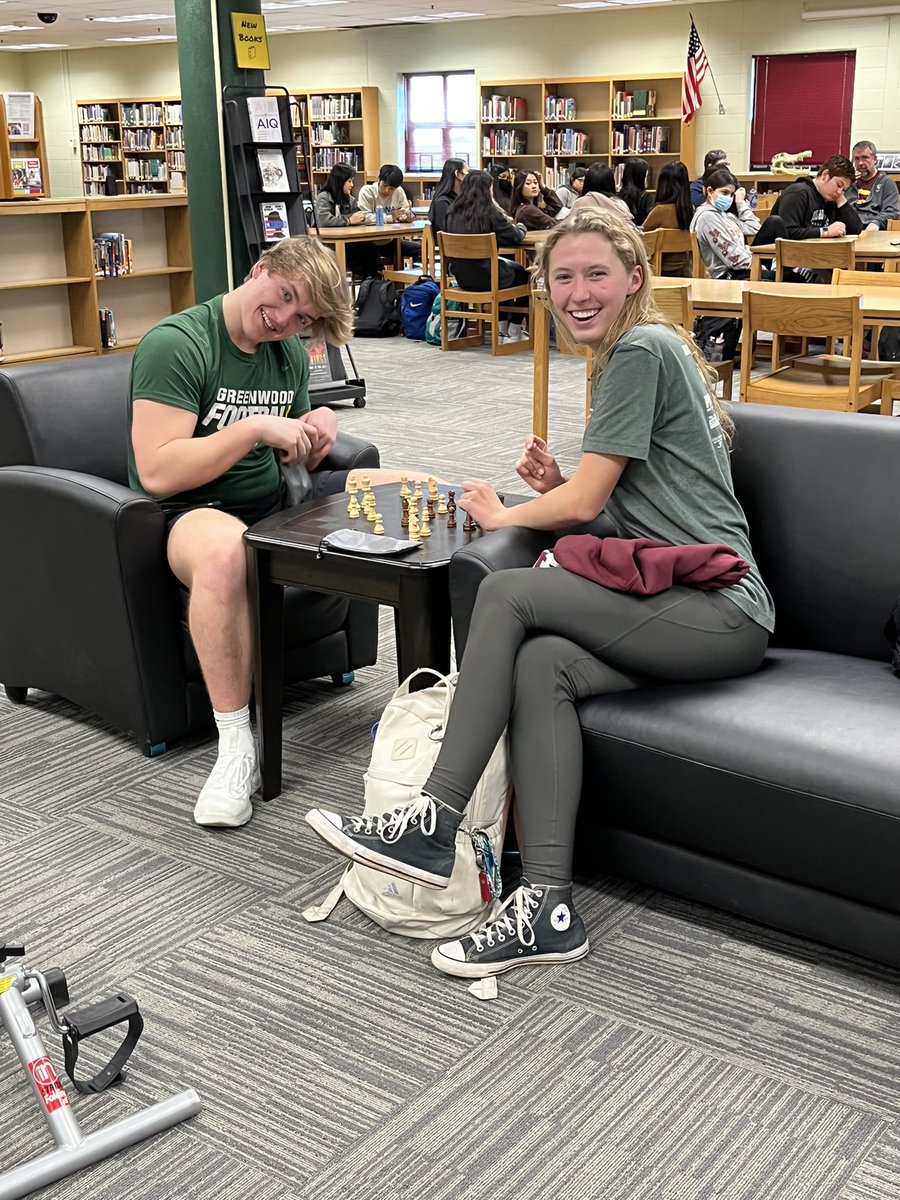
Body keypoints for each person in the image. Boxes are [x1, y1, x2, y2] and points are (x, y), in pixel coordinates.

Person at [306, 207, 774, 981]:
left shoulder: (642, 350)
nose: (579, 291)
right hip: (683, 604)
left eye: (597, 274)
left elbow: (589, 508)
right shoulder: (631, 354)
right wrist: (560, 485)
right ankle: (549, 906)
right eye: (563, 277)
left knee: (512, 597)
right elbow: (637, 506)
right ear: (544, 287)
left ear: (635, 279)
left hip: (724, 611)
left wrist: (510, 513)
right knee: (541, 666)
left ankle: (434, 818)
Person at [128, 237, 428, 829]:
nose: (286, 319)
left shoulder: (286, 352)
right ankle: (236, 745)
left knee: (412, 489)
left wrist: (315, 431)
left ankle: (440, 712)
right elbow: (158, 471)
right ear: (261, 269)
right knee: (223, 555)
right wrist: (254, 429)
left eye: (303, 316)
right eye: (285, 297)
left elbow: (295, 461)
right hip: (191, 512)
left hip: (273, 501)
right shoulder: (178, 344)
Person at [444, 168, 529, 343]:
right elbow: (513, 236)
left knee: (506, 270)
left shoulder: (451, 212)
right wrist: (521, 227)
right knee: (525, 276)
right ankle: (513, 330)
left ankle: (501, 329)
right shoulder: (490, 212)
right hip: (488, 278)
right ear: (486, 190)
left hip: (462, 278)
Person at [691, 167, 791, 280]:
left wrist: (740, 203)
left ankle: (787, 267)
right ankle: (788, 270)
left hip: (746, 263)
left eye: (731, 194)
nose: (728, 198)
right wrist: (759, 266)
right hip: (731, 274)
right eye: (724, 192)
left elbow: (755, 228)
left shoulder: (726, 215)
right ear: (710, 191)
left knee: (774, 222)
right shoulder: (707, 217)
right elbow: (732, 258)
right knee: (793, 278)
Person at [770, 155, 863, 240]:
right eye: (839, 184)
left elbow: (856, 229)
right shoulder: (797, 193)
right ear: (825, 175)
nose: (839, 192)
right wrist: (826, 231)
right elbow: (787, 233)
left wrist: (840, 197)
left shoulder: (831, 198)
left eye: (844, 190)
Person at [313, 162, 378, 277]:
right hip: (328, 246)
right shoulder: (324, 197)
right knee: (368, 253)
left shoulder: (348, 199)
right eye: (349, 181)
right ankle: (369, 284)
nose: (352, 185)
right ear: (339, 180)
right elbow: (323, 220)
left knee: (370, 249)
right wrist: (348, 220)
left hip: (347, 243)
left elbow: (359, 216)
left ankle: (370, 285)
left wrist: (358, 218)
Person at [642, 161, 694, 275]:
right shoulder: (691, 210)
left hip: (660, 270)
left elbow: (641, 238)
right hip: (685, 271)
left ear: (662, 184)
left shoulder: (661, 211)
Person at [844, 140, 900, 232]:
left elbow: (892, 211)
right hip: (848, 230)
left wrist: (876, 223)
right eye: (857, 159)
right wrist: (847, 184)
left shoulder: (886, 182)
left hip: (874, 230)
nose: (860, 163)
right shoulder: (848, 182)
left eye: (865, 158)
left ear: (875, 160)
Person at [427, 158, 469, 234]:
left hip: (463, 242)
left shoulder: (462, 198)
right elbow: (449, 230)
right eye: (467, 173)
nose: (469, 176)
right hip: (449, 244)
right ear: (458, 174)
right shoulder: (442, 202)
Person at [618, 157, 653, 225]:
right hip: (643, 235)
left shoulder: (617, 198)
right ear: (641, 177)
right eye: (646, 176)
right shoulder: (648, 199)